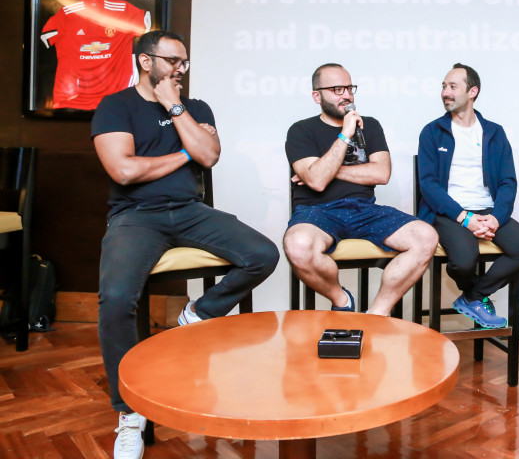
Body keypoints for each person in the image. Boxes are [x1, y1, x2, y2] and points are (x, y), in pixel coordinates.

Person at [92, 30, 279, 459]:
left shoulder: (194, 108)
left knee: (263, 254)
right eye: (173, 61)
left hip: (190, 211)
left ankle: (197, 313)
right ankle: (129, 413)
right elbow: (123, 171)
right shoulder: (115, 106)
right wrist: (184, 153)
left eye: (184, 62)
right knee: (117, 299)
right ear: (145, 61)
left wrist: (175, 108)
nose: (181, 68)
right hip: (135, 216)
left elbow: (210, 156)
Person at [283, 63, 437, 316]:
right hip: (317, 212)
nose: (346, 95)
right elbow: (317, 183)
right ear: (316, 96)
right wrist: (344, 135)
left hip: (363, 210)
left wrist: (326, 170)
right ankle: (342, 300)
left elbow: (381, 173)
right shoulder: (301, 130)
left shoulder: (371, 126)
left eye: (349, 88)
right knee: (298, 245)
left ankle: (377, 314)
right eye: (336, 89)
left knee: (425, 236)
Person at [417, 64, 519, 329]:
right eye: (443, 86)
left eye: (452, 87)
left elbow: (508, 181)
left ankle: (472, 297)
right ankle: (477, 297)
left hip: (488, 210)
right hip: (449, 212)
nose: (445, 92)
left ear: (473, 91)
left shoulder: (494, 132)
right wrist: (464, 218)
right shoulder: (432, 131)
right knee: (463, 261)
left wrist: (496, 218)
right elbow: (428, 185)